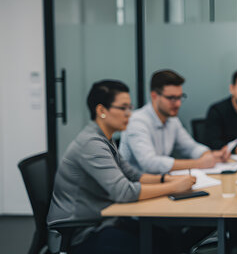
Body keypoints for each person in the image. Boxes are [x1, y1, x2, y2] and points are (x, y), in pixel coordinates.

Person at [47, 80, 196, 254]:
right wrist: (173, 187)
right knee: (153, 246)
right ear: (102, 110)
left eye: (130, 108)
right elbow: (124, 192)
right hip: (81, 233)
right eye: (123, 108)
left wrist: (165, 178)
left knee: (164, 237)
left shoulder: (105, 138)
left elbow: (133, 175)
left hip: (105, 220)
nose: (129, 114)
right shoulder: (92, 144)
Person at [119, 70, 230, 174]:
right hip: (137, 188)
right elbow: (149, 163)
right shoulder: (136, 121)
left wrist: (207, 154)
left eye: (180, 97)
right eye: (172, 98)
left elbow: (190, 147)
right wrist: (198, 163)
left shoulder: (172, 120)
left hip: (162, 182)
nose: (178, 104)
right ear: (154, 96)